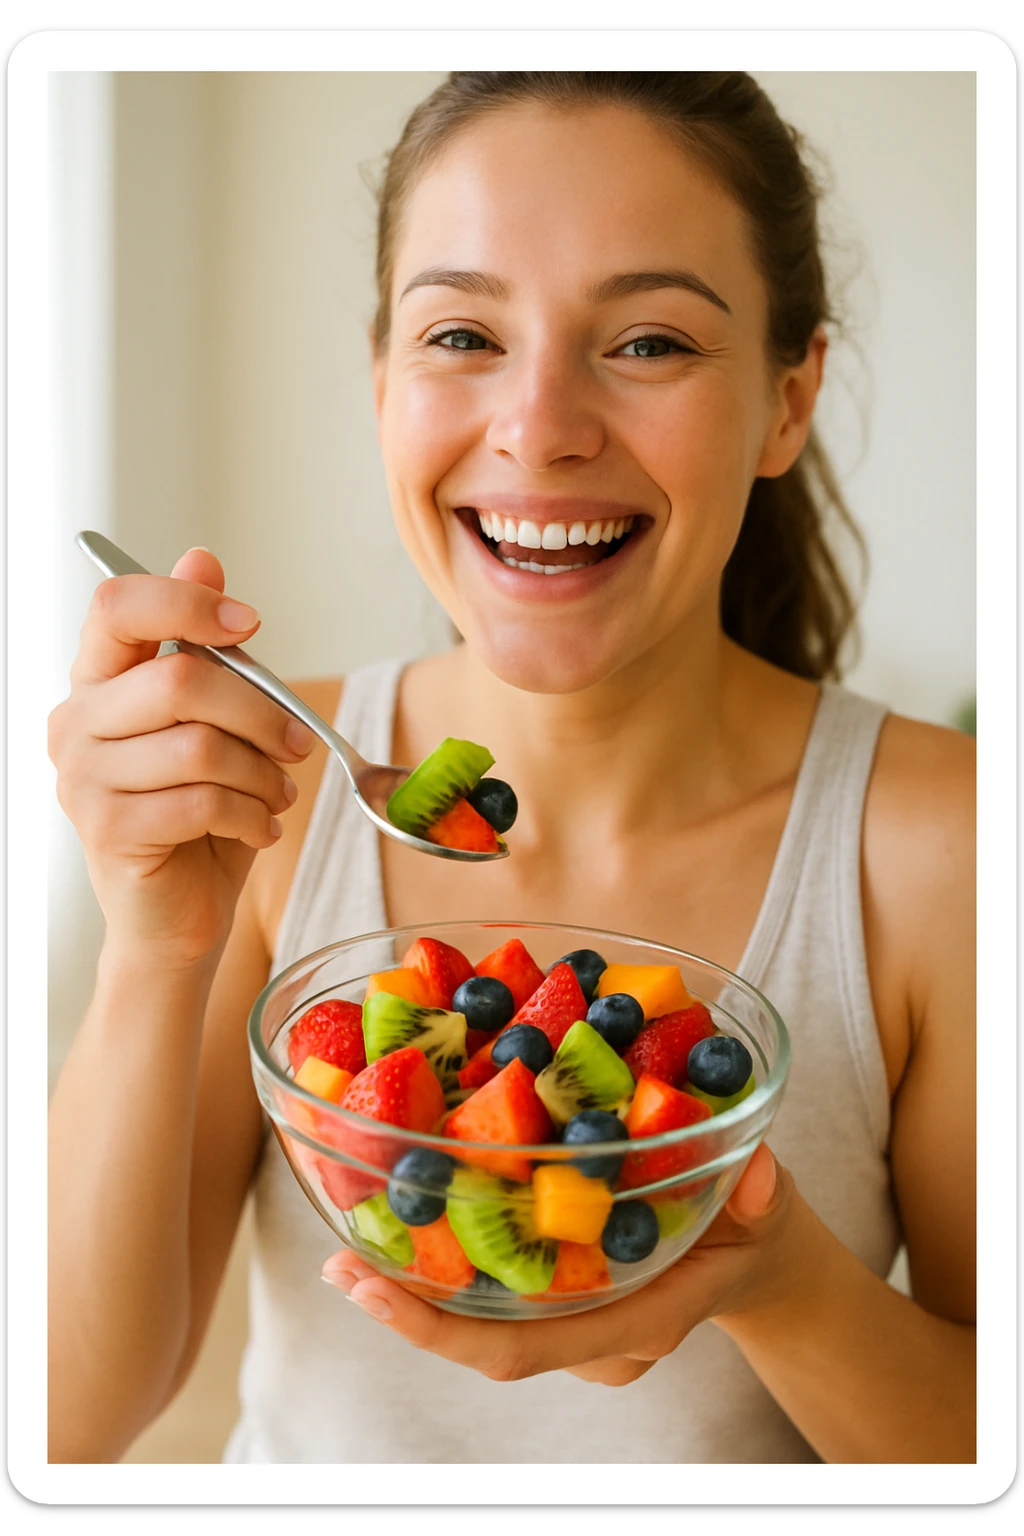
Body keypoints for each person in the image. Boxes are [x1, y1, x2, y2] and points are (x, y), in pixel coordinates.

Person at [47, 71, 975, 1465]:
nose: (540, 426)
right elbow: (59, 1421)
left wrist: (776, 1281)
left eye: (652, 341)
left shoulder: (944, 845)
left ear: (788, 402)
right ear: (381, 388)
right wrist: (152, 946)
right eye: (465, 333)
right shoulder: (271, 796)